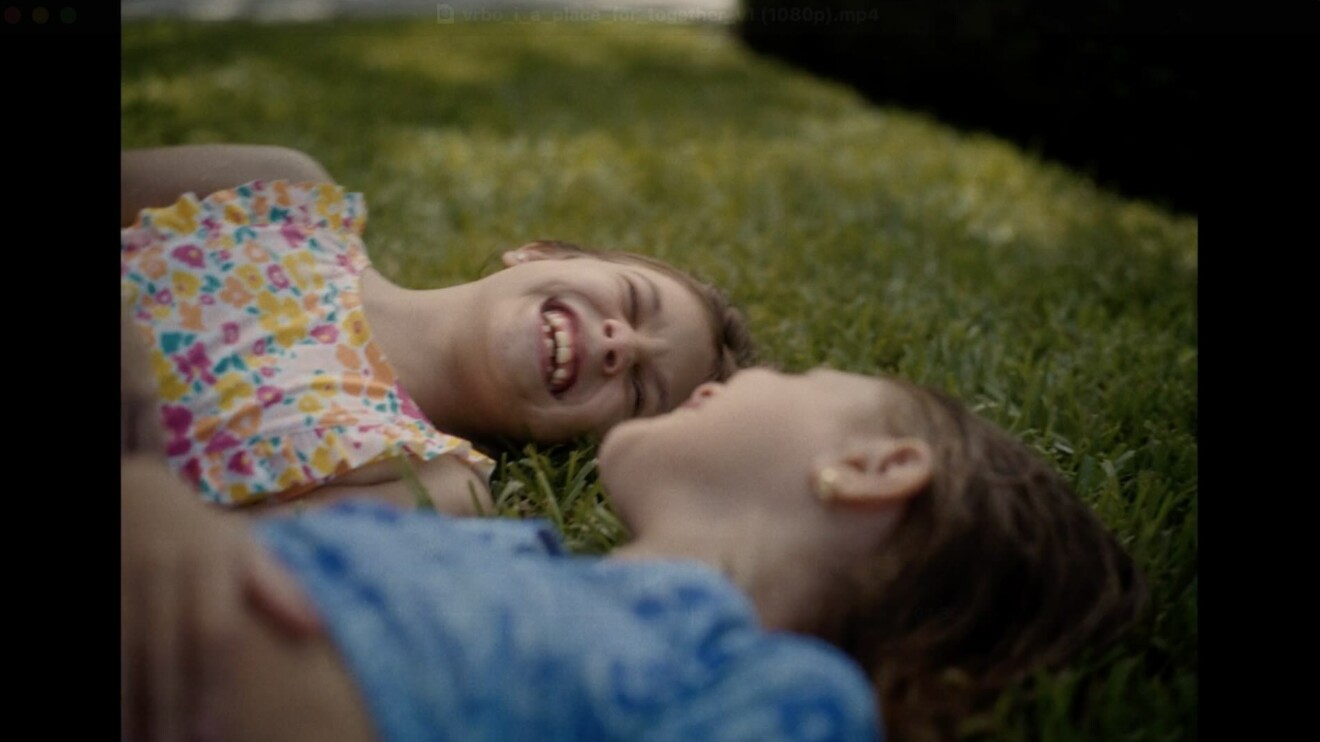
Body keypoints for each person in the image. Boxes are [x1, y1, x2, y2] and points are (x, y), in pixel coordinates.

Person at [121, 362, 1146, 741]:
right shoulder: (513, 556)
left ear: (872, 467)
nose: (719, 382)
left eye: (800, 376)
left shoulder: (781, 690)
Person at [121, 145, 754, 516]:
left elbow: (194, 567)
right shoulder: (284, 197)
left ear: (585, 444)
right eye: (634, 302)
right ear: (540, 253)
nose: (622, 345)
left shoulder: (437, 487)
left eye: (641, 390)